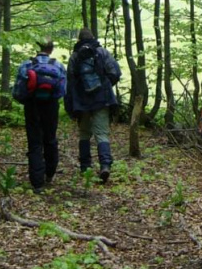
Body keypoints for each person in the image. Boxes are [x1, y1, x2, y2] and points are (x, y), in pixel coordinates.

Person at [64, 28, 121, 184]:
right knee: (102, 134)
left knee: (84, 133)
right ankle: (105, 165)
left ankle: (85, 167)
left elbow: (70, 82)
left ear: (78, 40)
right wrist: (105, 86)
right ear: (93, 37)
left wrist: (70, 105)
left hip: (82, 102)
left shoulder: (75, 56)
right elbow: (115, 72)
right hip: (102, 99)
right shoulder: (102, 52)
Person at [12, 39, 66, 194]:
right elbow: (62, 90)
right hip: (51, 106)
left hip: (32, 105)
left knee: (35, 142)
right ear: (51, 49)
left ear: (38, 49)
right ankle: (49, 173)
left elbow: (17, 90)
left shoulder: (26, 65)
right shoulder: (58, 66)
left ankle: (37, 183)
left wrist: (25, 100)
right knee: (50, 138)